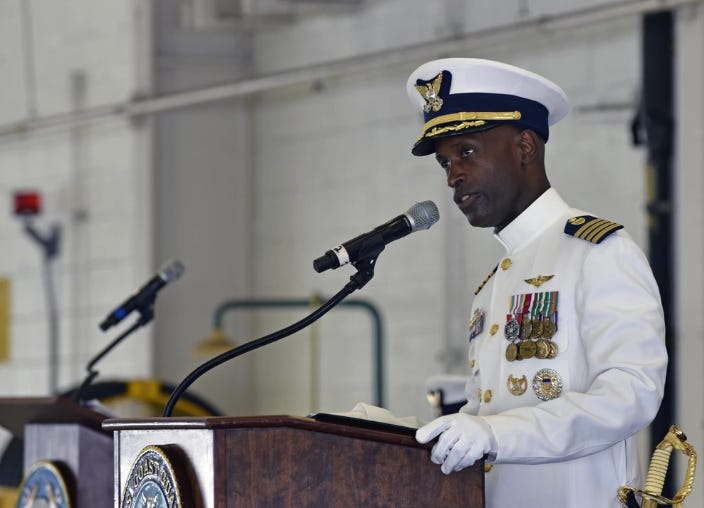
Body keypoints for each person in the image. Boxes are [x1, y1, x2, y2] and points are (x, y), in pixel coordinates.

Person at [405, 58, 668, 507]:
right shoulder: (493, 287)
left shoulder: (598, 251)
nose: (453, 177)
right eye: (445, 162)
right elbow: (482, 415)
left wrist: (497, 434)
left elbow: (631, 395)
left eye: (466, 152)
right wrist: (383, 431)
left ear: (525, 147)